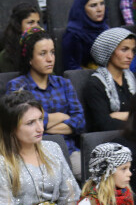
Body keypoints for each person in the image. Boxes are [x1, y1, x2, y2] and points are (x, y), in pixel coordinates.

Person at [5, 27, 85, 177]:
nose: (50, 59)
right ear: (30, 59)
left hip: (69, 151)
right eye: (42, 54)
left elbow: (80, 122)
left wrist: (42, 125)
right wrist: (62, 116)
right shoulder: (17, 86)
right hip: (35, 152)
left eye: (52, 52)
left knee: (88, 173)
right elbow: (21, 124)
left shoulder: (64, 83)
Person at [85, 27, 136, 132]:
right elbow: (104, 124)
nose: (130, 56)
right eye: (124, 49)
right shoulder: (95, 84)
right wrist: (134, 118)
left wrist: (123, 115)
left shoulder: (134, 79)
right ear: (109, 51)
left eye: (133, 50)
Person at [62, 0, 108, 71]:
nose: (99, 9)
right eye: (93, 5)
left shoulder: (105, 29)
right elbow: (72, 68)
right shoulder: (73, 34)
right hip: (85, 76)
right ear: (82, 8)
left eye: (102, 4)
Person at [0, 2, 40, 73]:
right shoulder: (7, 56)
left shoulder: (43, 47)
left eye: (38, 22)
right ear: (18, 25)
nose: (36, 27)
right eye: (30, 22)